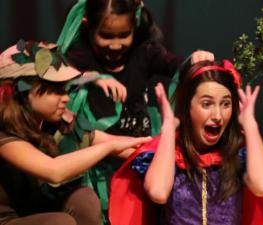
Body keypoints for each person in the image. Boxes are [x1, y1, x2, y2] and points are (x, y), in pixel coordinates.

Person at [57, 1, 213, 223]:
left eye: (124, 35)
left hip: (138, 160)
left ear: (134, 26)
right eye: (106, 36)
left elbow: (178, 65)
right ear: (87, 25)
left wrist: (196, 59)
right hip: (99, 167)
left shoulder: (144, 52)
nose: (115, 44)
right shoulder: (79, 54)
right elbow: (64, 75)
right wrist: (94, 78)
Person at [109, 60, 263, 225]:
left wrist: (250, 124)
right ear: (187, 107)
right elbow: (158, 192)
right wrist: (168, 128)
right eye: (207, 104)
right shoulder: (168, 153)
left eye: (226, 104)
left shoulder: (239, 154)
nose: (217, 116)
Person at [0, 40, 151, 225]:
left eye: (64, 89)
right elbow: (54, 171)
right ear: (24, 92)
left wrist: (159, 152)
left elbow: (113, 143)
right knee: (60, 222)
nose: (66, 98)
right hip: (7, 220)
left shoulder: (53, 120)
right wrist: (109, 146)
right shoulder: (4, 133)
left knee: (83, 199)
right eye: (55, 91)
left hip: (37, 210)